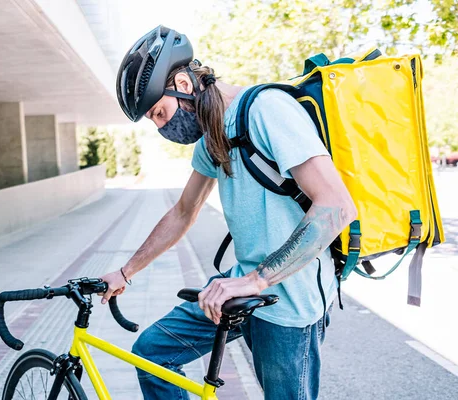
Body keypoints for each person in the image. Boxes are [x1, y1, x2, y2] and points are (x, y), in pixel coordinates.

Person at [101, 25, 357, 400]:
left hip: (291, 303)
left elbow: (336, 206)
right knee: (153, 353)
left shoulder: (267, 110)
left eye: (159, 113)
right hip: (240, 289)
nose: (161, 127)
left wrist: (255, 280)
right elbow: (183, 212)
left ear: (184, 86)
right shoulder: (212, 136)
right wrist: (126, 272)